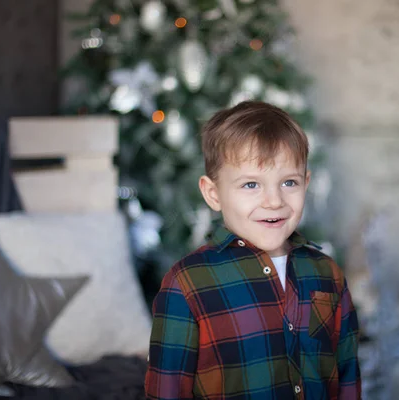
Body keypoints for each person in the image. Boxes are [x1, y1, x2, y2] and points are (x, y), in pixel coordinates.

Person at [145, 101, 361, 399]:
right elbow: (166, 391)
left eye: (288, 182)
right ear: (213, 193)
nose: (274, 201)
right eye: (251, 185)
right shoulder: (187, 283)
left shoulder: (327, 273)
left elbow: (347, 376)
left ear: (306, 183)